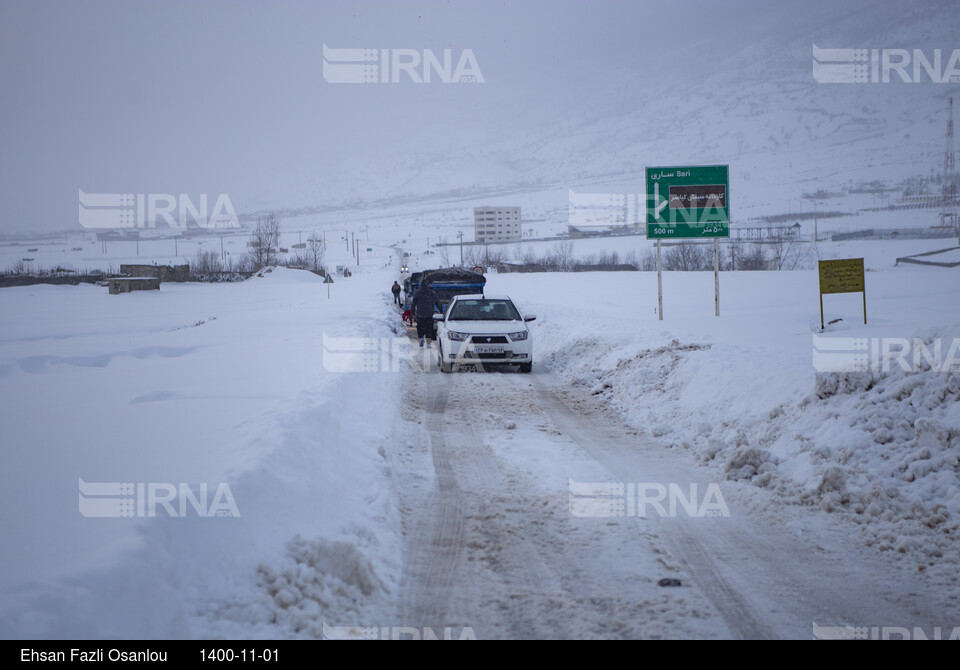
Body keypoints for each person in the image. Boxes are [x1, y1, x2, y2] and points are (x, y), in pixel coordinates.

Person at [411, 280, 441, 347]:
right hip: (429, 314)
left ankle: (421, 337)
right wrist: (441, 310)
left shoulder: (417, 293)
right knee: (429, 328)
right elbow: (437, 302)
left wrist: (412, 312)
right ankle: (428, 343)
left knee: (420, 327)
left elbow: (413, 303)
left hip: (420, 314)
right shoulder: (431, 293)